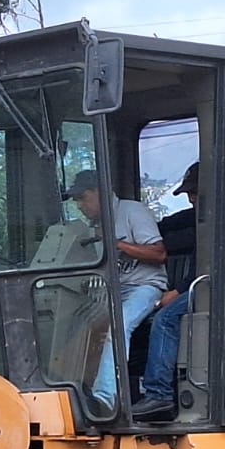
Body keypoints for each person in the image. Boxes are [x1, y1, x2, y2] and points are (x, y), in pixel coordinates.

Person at [60, 169, 166, 417]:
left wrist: (115, 242)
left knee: (119, 326)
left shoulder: (132, 211)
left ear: (101, 192)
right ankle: (70, 394)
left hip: (144, 285)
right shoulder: (91, 227)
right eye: (76, 201)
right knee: (77, 327)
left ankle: (106, 399)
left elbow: (158, 253)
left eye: (83, 198)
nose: (80, 206)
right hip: (112, 291)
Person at [136, 162, 200, 420]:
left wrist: (178, 291)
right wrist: (143, 231)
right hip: (201, 285)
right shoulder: (198, 216)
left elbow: (218, 265)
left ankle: (159, 394)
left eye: (195, 192)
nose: (191, 198)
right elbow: (169, 225)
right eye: (189, 194)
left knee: (165, 319)